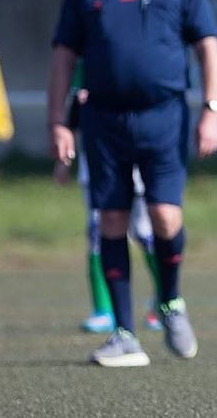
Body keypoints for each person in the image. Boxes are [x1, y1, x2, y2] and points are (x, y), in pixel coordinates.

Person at [47, 0, 217, 368]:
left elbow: (209, 47)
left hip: (163, 117)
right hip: (103, 121)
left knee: (165, 217)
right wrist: (58, 122)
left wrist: (212, 109)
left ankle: (170, 300)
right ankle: (124, 334)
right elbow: (63, 57)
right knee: (110, 221)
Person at [52, 83, 162, 334]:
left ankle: (164, 299)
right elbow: (74, 112)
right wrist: (63, 160)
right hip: (98, 165)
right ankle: (103, 309)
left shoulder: (136, 78)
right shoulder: (86, 72)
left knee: (144, 231)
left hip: (135, 161)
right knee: (96, 233)